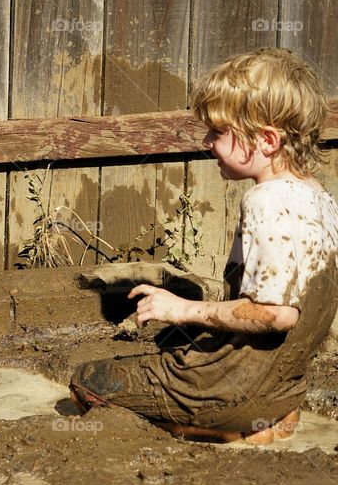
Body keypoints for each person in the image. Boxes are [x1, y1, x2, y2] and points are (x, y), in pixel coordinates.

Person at [69, 48, 338, 443]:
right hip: (284, 388)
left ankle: (224, 428)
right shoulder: (319, 197)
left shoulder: (266, 201)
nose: (207, 141)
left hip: (234, 392)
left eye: (218, 131)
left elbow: (277, 314)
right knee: (174, 346)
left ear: (266, 139)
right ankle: (273, 417)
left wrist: (182, 308)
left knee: (87, 380)